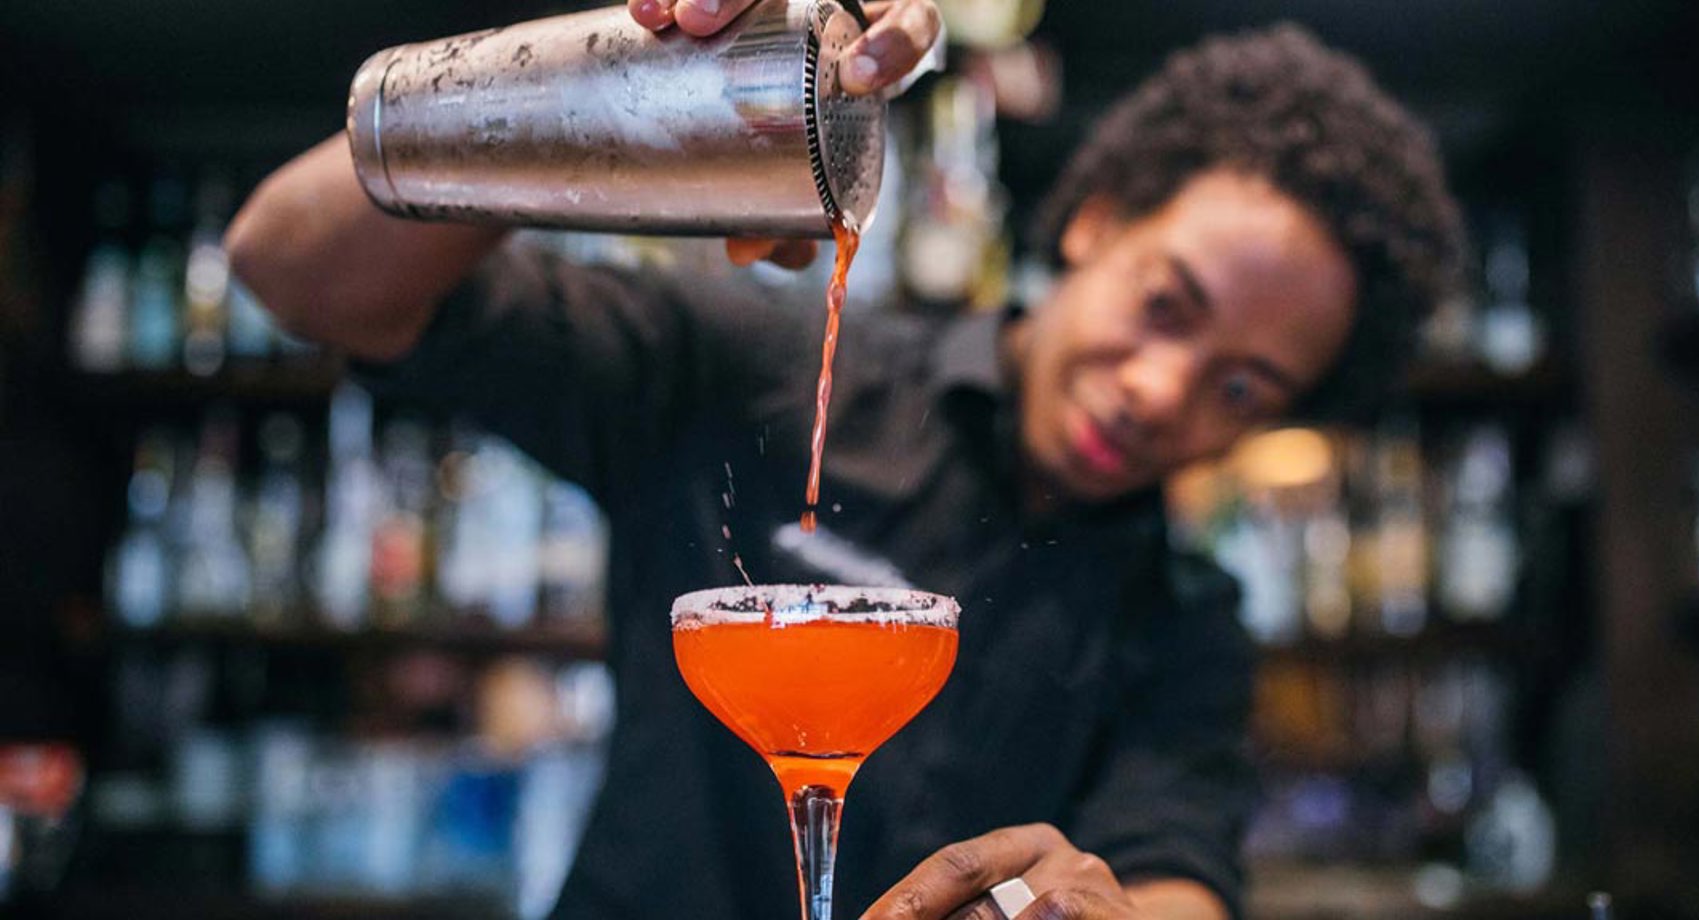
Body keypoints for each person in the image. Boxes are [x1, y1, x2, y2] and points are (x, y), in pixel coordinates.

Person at [227, 0, 1465, 916]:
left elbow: (1176, 870)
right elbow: (293, 267)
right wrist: (622, 85)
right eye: (1168, 304)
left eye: (1241, 385)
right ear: (1097, 221)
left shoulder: (1183, 616)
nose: (1160, 390)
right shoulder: (751, 368)